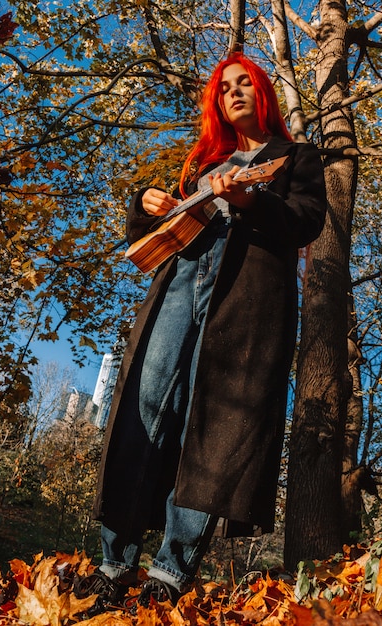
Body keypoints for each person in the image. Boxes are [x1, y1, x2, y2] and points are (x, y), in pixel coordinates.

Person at [78, 53, 327, 613]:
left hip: (246, 302)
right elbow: (157, 231)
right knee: (147, 403)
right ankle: (114, 562)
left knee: (213, 426)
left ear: (262, 92)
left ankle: (170, 570)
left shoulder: (295, 157)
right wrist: (146, 204)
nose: (233, 93)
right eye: (223, 88)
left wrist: (251, 199)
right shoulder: (202, 163)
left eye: (245, 84)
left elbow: (307, 219)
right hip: (179, 281)